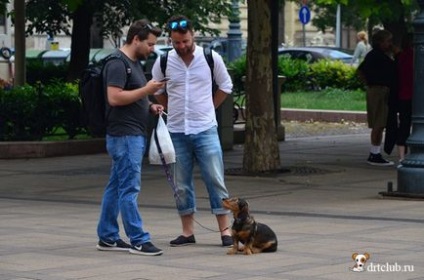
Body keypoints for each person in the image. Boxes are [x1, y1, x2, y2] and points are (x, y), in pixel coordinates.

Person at [151, 15, 233, 247]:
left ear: (193, 35)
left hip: (206, 129)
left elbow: (225, 85)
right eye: (177, 42)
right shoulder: (164, 61)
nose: (181, 46)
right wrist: (166, 106)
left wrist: (211, 106)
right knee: (181, 184)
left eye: (185, 41)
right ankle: (188, 232)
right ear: (171, 39)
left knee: (215, 180)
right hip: (176, 130)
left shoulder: (210, 57)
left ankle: (225, 231)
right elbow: (155, 87)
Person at [96, 19, 166, 256]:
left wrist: (149, 106)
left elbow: (131, 95)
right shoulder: (117, 63)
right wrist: (147, 91)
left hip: (131, 133)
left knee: (116, 186)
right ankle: (138, 239)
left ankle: (107, 236)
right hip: (125, 135)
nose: (152, 48)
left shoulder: (133, 62)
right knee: (129, 188)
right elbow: (114, 98)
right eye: (150, 43)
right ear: (135, 39)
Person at [357, 29, 396, 166]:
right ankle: (374, 154)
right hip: (378, 89)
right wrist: (371, 83)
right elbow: (361, 71)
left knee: (380, 123)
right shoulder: (376, 55)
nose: (390, 44)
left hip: (381, 89)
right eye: (388, 41)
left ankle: (375, 152)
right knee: (378, 123)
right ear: (380, 42)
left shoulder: (380, 55)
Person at [384, 33, 413, 163]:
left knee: (404, 125)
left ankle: (402, 157)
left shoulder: (400, 57)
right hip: (414, 96)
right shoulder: (415, 56)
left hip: (403, 96)